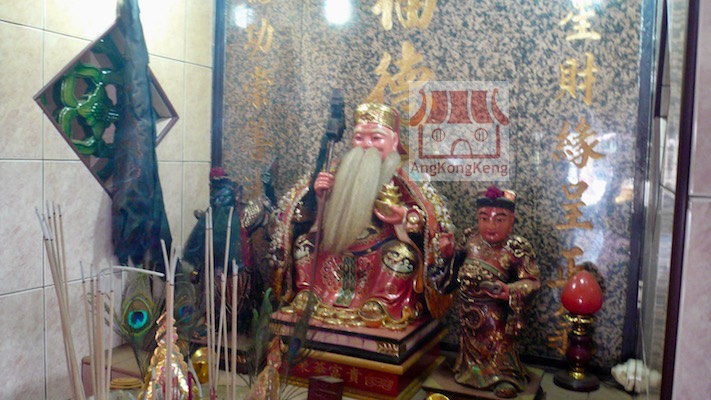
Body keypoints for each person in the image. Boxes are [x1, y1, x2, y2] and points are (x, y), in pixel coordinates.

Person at [268, 103, 455, 330]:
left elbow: (429, 217)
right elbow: (305, 215)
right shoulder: (336, 169)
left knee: (401, 257)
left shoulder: (408, 174)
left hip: (381, 250)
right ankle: (311, 293)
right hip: (338, 247)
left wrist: (404, 218)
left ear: (394, 141)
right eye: (359, 138)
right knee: (304, 246)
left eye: (376, 138)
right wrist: (321, 198)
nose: (366, 145)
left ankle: (382, 303)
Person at [436, 186, 539, 398]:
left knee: (498, 346)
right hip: (468, 311)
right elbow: (452, 269)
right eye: (484, 218)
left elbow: (532, 281)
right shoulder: (470, 240)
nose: (491, 225)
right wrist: (447, 255)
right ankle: (469, 371)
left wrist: (510, 290)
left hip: (496, 315)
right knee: (470, 347)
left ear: (512, 220)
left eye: (500, 219)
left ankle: (504, 376)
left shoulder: (516, 248)